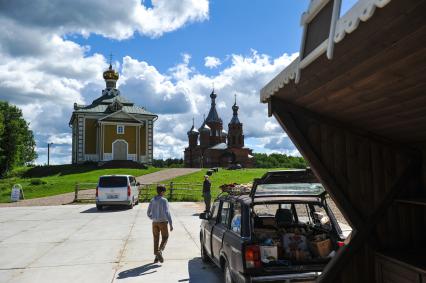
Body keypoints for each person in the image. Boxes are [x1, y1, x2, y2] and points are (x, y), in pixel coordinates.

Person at [147, 185, 173, 263]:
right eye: (164, 191)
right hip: (163, 222)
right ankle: (159, 251)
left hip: (154, 223)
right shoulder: (164, 200)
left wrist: (153, 218)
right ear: (162, 192)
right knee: (165, 237)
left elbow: (148, 213)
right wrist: (171, 224)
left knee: (156, 239)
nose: (165, 193)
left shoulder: (152, 200)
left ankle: (156, 255)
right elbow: (167, 212)